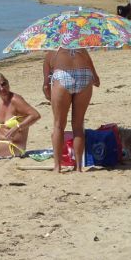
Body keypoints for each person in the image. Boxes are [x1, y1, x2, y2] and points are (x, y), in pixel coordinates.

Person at [44, 45, 100, 173]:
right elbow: (91, 67)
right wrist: (95, 77)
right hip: (84, 75)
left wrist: (47, 91)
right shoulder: (82, 47)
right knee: (78, 126)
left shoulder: (53, 51)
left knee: (58, 125)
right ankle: (79, 167)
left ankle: (57, 167)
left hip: (63, 76)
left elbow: (46, 83)